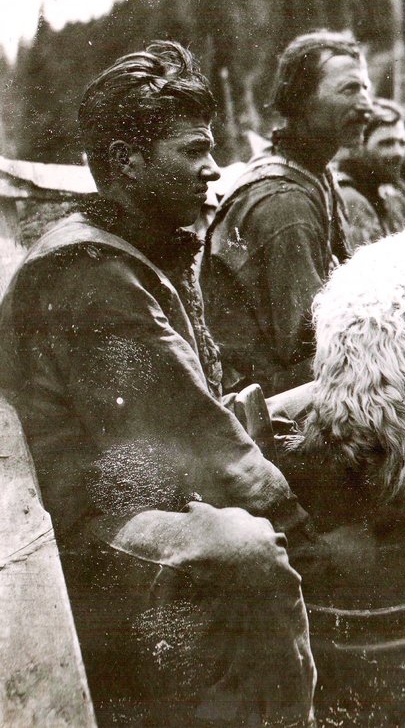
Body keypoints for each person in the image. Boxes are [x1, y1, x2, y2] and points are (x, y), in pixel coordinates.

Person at [0, 42, 316, 727]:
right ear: (127, 162)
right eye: (193, 150)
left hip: (145, 485)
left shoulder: (142, 246)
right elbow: (193, 432)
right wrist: (300, 523)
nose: (211, 168)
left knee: (324, 426)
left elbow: (200, 409)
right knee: (249, 551)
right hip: (90, 525)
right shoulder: (89, 272)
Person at [201, 30, 372, 396]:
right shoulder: (285, 201)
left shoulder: (313, 173)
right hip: (267, 401)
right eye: (349, 90)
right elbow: (310, 344)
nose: (366, 106)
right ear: (301, 101)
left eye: (365, 89)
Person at [333, 98, 405, 251]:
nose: (398, 152)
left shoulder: (388, 194)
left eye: (402, 143)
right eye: (386, 143)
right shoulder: (350, 199)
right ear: (358, 146)